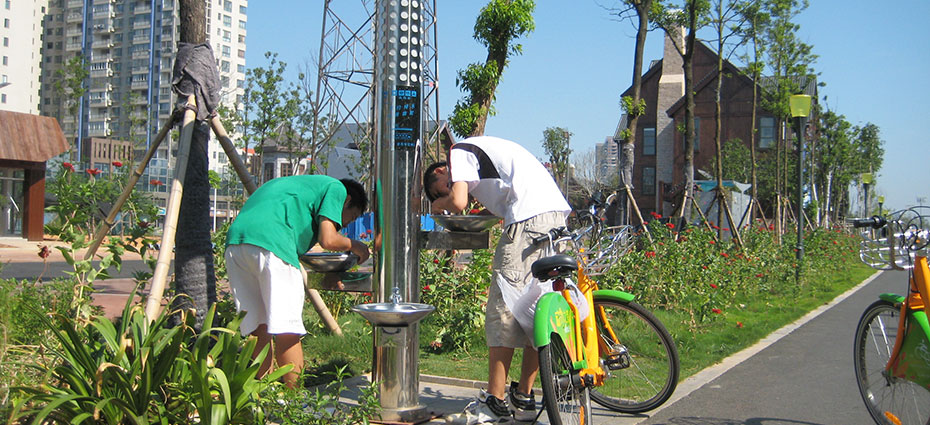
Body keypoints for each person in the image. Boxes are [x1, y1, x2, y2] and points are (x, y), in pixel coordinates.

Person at [424, 136, 572, 424]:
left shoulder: (459, 152)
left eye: (440, 188)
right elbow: (489, 204)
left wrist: (438, 205)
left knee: (503, 311)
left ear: (442, 171)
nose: (448, 191)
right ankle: (524, 398)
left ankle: (496, 402)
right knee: (536, 312)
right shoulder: (485, 162)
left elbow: (457, 202)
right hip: (555, 219)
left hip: (528, 222)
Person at [225, 175, 370, 388]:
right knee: (287, 328)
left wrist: (331, 272)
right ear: (346, 201)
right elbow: (329, 240)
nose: (346, 224)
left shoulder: (292, 187)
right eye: (353, 215)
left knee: (258, 328)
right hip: (272, 245)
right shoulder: (336, 188)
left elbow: (295, 249)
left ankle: (263, 394)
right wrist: (357, 246)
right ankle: (296, 403)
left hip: (236, 245)